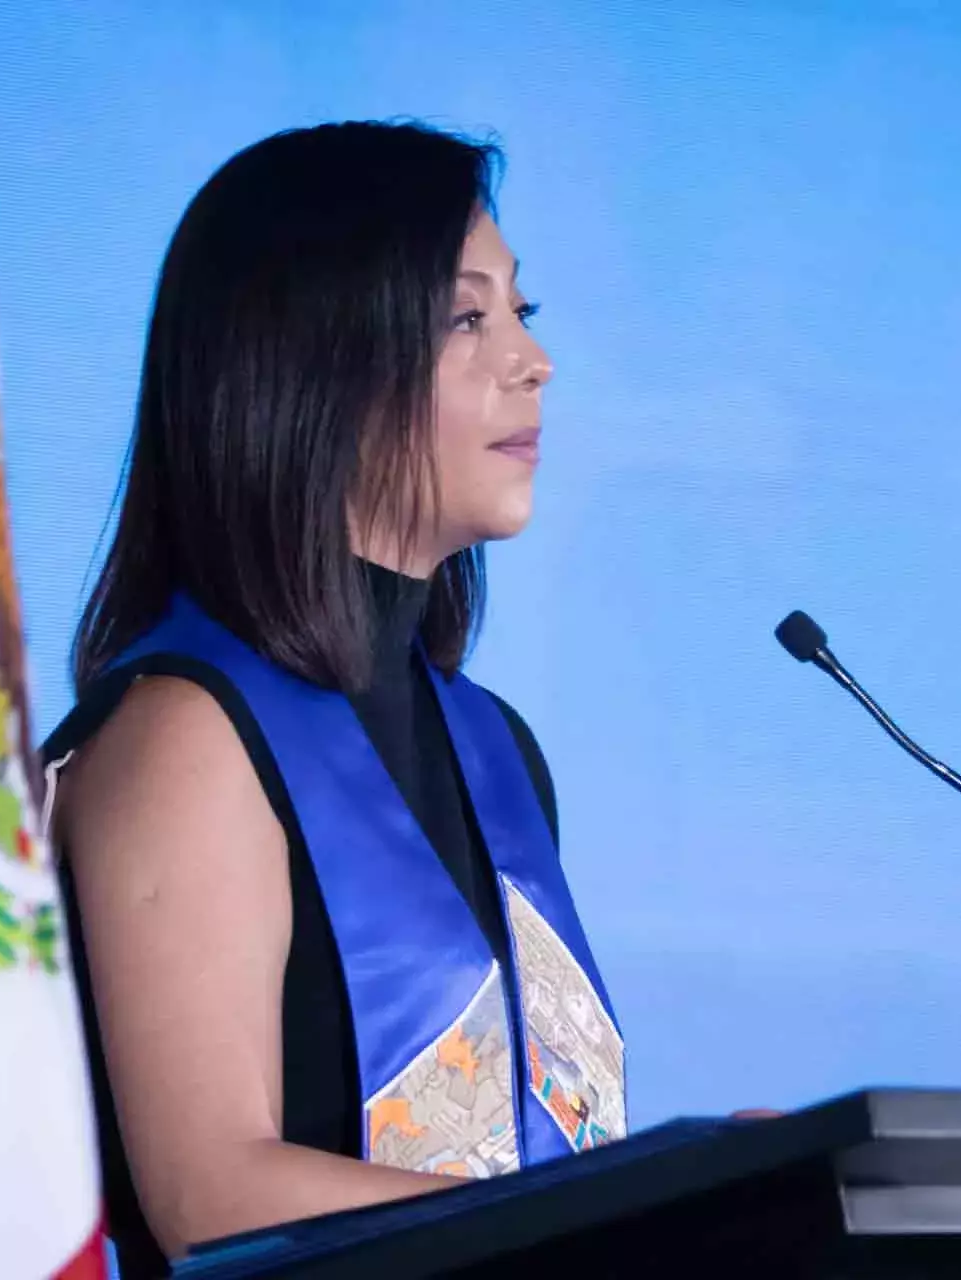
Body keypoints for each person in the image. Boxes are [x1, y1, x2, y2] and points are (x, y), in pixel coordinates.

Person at [41, 121, 625, 1277]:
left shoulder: (494, 746)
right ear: (316, 362)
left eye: (522, 311)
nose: (530, 360)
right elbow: (210, 1191)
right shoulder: (184, 732)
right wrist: (647, 1210)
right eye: (468, 317)